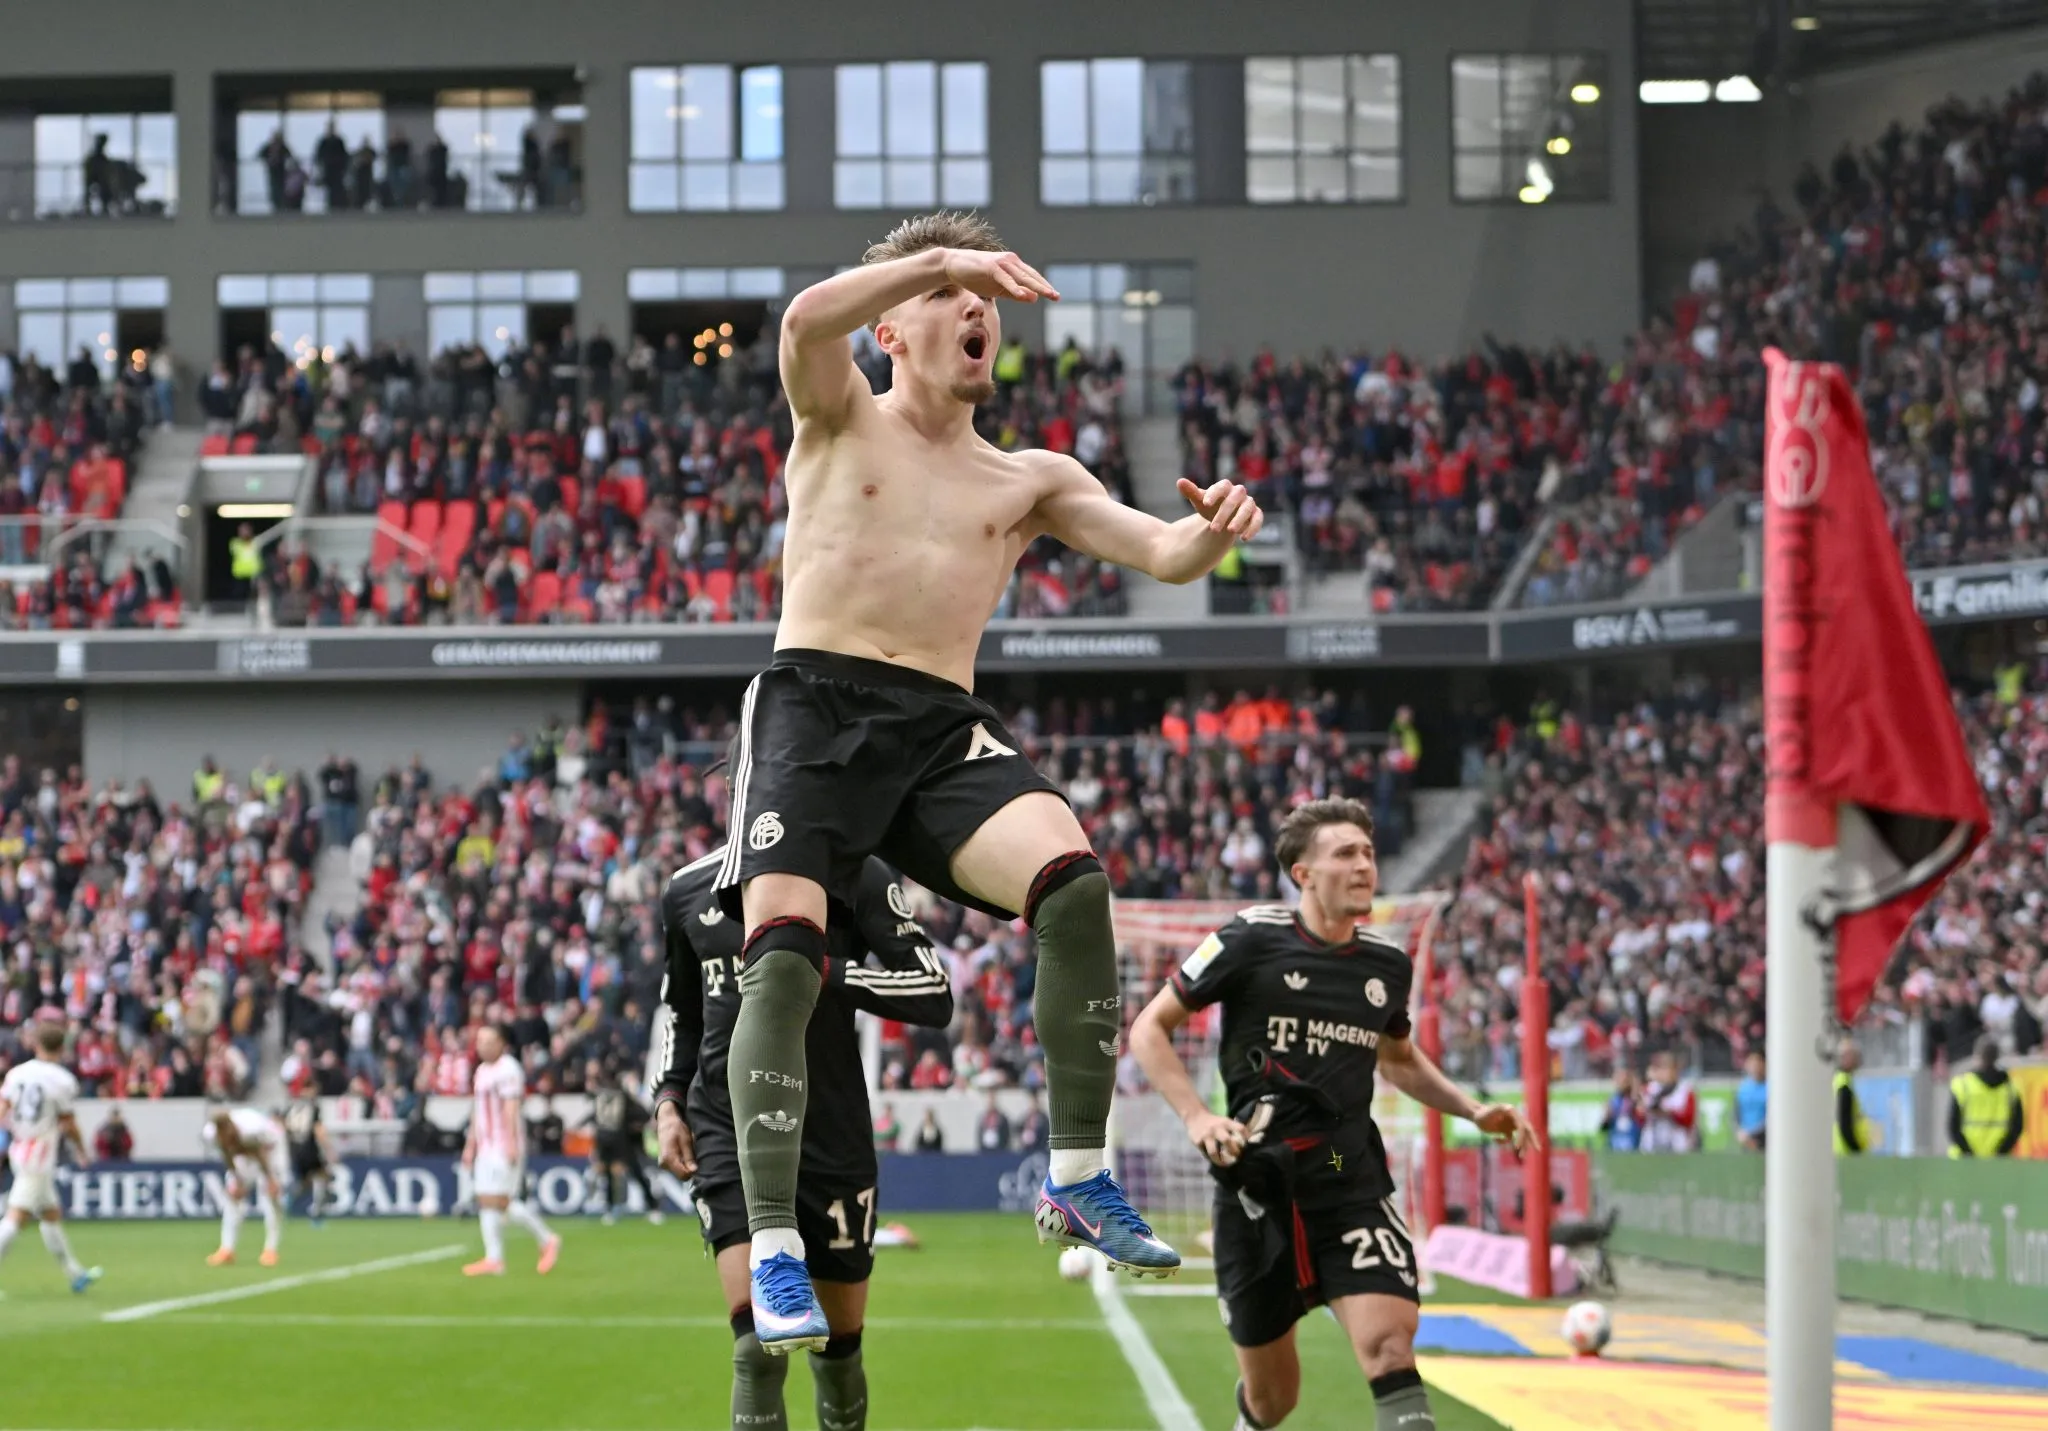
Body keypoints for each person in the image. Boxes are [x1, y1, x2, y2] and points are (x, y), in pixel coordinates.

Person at [718, 210, 1261, 1345]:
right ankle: (774, 1247)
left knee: (1070, 880)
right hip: (811, 709)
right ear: (892, 331)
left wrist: (1212, 536)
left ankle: (1074, 1173)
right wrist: (936, 260)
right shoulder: (834, 412)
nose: (978, 310)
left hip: (934, 726)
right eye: (952, 297)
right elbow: (803, 318)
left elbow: (1160, 551)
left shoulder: (1026, 479)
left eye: (989, 303)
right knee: (781, 967)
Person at [1129, 798, 1538, 1431]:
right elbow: (1151, 1029)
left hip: (1347, 1173)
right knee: (1274, 1401)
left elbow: (1399, 1061)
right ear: (1303, 874)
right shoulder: (1248, 940)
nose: (1364, 866)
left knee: (1390, 1348)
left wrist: (1472, 1108)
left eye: (1369, 853)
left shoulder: (1385, 966)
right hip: (1256, 1186)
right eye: (1345, 854)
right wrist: (1198, 1118)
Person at [654, 851, 951, 1426]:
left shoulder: (854, 874)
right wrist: (669, 1101)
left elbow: (932, 992)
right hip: (727, 1126)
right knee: (756, 1348)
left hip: (829, 1131)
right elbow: (683, 1014)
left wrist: (824, 969)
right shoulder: (688, 889)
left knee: (839, 1352)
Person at [0, 1020, 102, 1294]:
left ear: (36, 1044)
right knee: (16, 1218)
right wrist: (81, 1151)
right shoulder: (62, 1080)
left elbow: (2, 1108)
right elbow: (68, 1123)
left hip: (19, 1147)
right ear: (63, 1047)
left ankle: (75, 1274)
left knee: (50, 1214)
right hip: (39, 1151)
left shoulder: (16, 1073)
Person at [461, 1025, 561, 1276]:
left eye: (489, 1040)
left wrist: (511, 1144)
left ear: (502, 1043)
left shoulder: (508, 1069)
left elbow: (511, 1108)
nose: (483, 1045)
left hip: (502, 1145)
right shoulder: (482, 1071)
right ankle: (494, 1259)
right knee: (487, 1201)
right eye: (480, 1040)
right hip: (485, 1147)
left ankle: (546, 1239)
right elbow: (477, 1110)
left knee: (500, 1201)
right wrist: (470, 1145)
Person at [202, 1105, 288, 1266]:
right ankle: (227, 1249)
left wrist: (271, 1180)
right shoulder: (211, 1133)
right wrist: (237, 1179)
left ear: (231, 1127)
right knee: (232, 1195)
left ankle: (270, 1250)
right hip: (243, 1152)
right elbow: (227, 1152)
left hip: (271, 1147)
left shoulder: (251, 1129)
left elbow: (259, 1154)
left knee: (271, 1197)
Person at [583, 1061, 661, 1225]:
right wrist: (634, 1126)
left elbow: (595, 1117)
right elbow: (642, 1114)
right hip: (621, 1140)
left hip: (607, 1139)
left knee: (611, 1176)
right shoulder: (621, 1094)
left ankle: (612, 1209)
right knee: (634, 1173)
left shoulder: (600, 1094)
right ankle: (652, 1207)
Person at [1948, 1035, 2023, 1158]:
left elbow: (1953, 1127)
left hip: (1964, 1160)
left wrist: (1969, 1153)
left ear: (1976, 1056)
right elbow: (2017, 1127)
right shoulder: (2011, 1089)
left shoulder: (1962, 1086)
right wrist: (1999, 1153)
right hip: (1998, 1162)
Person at [282, 1082, 336, 1224]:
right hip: (309, 1150)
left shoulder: (291, 1107)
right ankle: (317, 1215)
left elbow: (284, 1128)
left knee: (305, 1183)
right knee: (324, 1178)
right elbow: (319, 1131)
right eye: (313, 1090)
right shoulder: (313, 1107)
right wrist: (329, 1150)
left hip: (295, 1151)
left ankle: (286, 1200)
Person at [1639, 1051, 1699, 1153]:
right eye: (1660, 1068)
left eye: (1666, 1068)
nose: (1663, 1072)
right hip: (1652, 1142)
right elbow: (1640, 1115)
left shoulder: (1684, 1090)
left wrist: (1669, 1113)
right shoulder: (1651, 1088)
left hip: (1677, 1143)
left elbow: (1689, 1119)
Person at [1833, 1040, 1876, 1156]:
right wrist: (1856, 1150)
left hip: (1843, 1151)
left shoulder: (1840, 1081)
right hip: (1846, 1153)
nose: (1858, 1059)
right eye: (1855, 1055)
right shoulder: (1844, 1085)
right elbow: (1845, 1124)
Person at [1600, 1067, 1643, 1152]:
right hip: (1615, 1143)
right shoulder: (1612, 1100)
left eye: (1625, 1080)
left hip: (1633, 1143)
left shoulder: (1635, 1099)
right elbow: (1603, 1127)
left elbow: (1641, 1115)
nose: (1622, 1083)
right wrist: (1607, 1115)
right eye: (1619, 1079)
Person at [1735, 1051, 1768, 1152]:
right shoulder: (1743, 1088)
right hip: (1745, 1139)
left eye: (1758, 1063)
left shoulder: (1770, 1087)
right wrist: (1741, 1132)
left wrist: (1752, 1134)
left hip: (1764, 1140)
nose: (1755, 1067)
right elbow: (1736, 1114)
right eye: (1752, 1063)